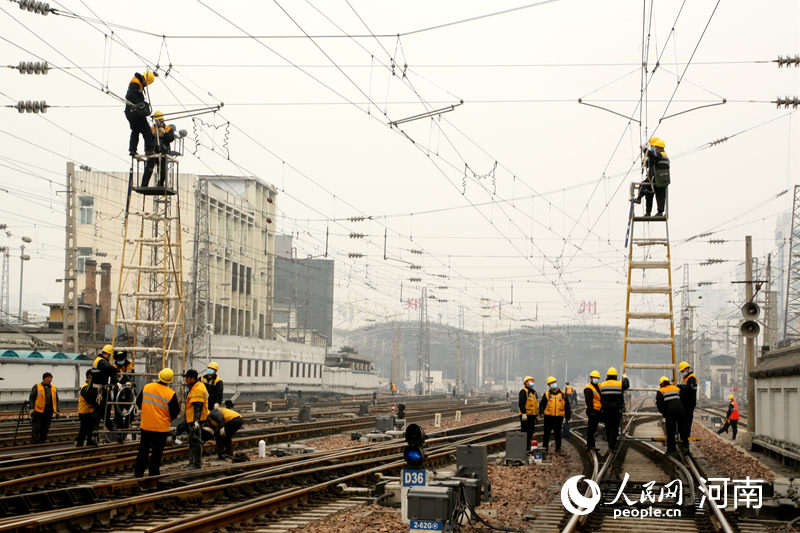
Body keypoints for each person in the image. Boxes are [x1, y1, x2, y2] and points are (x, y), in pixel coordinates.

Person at [134, 368, 179, 478]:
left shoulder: (147, 387)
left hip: (146, 425)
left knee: (143, 451)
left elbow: (138, 402)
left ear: (159, 376)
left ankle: (138, 473)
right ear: (170, 381)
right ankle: (153, 473)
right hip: (161, 428)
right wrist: (166, 418)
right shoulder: (170, 394)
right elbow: (175, 412)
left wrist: (148, 412)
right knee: (157, 453)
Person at [634, 137, 671, 217]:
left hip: (655, 179)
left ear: (657, 147)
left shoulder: (659, 154)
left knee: (644, 185)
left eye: (653, 147)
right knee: (659, 195)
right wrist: (646, 161)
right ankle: (659, 212)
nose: (652, 148)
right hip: (662, 180)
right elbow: (651, 162)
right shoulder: (664, 155)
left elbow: (652, 155)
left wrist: (645, 150)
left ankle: (639, 198)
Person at [124, 71, 156, 157]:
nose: (146, 85)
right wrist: (141, 105)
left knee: (135, 130)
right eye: (147, 83)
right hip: (135, 112)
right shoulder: (136, 84)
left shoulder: (137, 82)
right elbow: (130, 97)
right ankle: (149, 150)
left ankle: (132, 150)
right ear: (144, 79)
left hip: (130, 112)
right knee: (147, 131)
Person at [141, 110, 176, 188]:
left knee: (163, 171)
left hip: (163, 154)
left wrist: (164, 133)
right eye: (156, 121)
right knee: (148, 169)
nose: (157, 122)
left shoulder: (168, 129)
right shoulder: (152, 129)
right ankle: (144, 185)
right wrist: (152, 135)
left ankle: (160, 185)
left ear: (161, 120)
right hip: (153, 153)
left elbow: (171, 138)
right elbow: (146, 138)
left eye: (158, 121)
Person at [90, 344, 121, 431]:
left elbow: (109, 374)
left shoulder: (103, 361)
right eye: (110, 355)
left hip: (103, 389)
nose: (110, 357)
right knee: (99, 409)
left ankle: (109, 426)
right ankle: (94, 428)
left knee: (106, 409)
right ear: (107, 354)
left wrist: (116, 382)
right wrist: (117, 369)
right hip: (98, 390)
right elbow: (108, 369)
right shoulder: (100, 361)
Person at [598, 367, 630, 451]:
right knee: (615, 427)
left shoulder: (603, 384)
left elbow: (601, 396)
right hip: (616, 410)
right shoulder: (619, 384)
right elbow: (627, 385)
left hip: (606, 410)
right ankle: (612, 444)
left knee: (608, 426)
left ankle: (609, 442)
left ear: (607, 375)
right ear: (616, 376)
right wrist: (625, 377)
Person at [184, 369, 209, 470]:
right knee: (192, 441)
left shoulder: (197, 388)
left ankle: (196, 463)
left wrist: (196, 421)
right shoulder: (195, 386)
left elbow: (198, 406)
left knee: (196, 441)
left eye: (187, 378)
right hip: (192, 419)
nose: (185, 380)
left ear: (192, 378)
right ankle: (191, 462)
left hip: (196, 420)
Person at [539, 377, 571, 454]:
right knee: (546, 433)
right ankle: (545, 448)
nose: (553, 384)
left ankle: (558, 449)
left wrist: (568, 416)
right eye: (551, 383)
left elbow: (567, 406)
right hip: (548, 417)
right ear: (549, 385)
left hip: (559, 417)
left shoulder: (563, 394)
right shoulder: (547, 394)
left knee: (558, 434)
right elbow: (541, 404)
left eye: (554, 382)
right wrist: (541, 412)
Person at [655, 376, 684, 454]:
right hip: (680, 411)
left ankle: (671, 449)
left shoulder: (661, 391)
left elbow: (659, 404)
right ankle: (684, 447)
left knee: (670, 431)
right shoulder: (676, 388)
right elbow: (682, 399)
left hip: (670, 413)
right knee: (682, 429)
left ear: (661, 384)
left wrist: (663, 413)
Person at [29, 372, 59, 443]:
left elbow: (56, 400)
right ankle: (34, 442)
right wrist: (31, 408)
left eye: (51, 378)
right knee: (36, 427)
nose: (50, 380)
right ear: (44, 379)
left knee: (45, 428)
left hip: (48, 411)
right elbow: (32, 398)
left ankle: (42, 441)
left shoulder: (53, 388)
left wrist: (57, 410)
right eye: (48, 378)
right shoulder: (37, 386)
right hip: (38, 411)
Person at [677, 361, 697, 453]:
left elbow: (689, 388)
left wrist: (679, 386)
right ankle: (683, 441)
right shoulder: (686, 378)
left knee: (686, 424)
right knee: (682, 423)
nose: (682, 372)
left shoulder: (691, 378)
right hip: (684, 404)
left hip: (688, 404)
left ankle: (686, 444)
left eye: (682, 371)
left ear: (687, 369)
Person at [583, 370, 602, 450]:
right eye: (594, 378)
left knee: (594, 428)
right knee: (591, 428)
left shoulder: (599, 386)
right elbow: (589, 401)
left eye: (597, 378)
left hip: (598, 410)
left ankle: (591, 445)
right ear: (591, 378)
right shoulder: (588, 388)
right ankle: (590, 445)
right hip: (592, 411)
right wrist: (591, 412)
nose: (596, 379)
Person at [76, 369, 96, 447]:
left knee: (89, 430)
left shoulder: (90, 387)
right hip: (85, 412)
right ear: (89, 377)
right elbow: (89, 399)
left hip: (89, 411)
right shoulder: (85, 388)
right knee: (83, 430)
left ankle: (89, 443)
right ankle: (80, 444)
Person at [518, 376, 538, 449]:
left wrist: (536, 415)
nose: (532, 383)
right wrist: (523, 413)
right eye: (530, 381)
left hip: (532, 416)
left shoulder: (533, 392)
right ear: (526, 382)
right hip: (525, 416)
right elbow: (521, 403)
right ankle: (524, 448)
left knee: (530, 433)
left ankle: (528, 447)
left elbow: (535, 404)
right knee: (525, 432)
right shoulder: (523, 391)